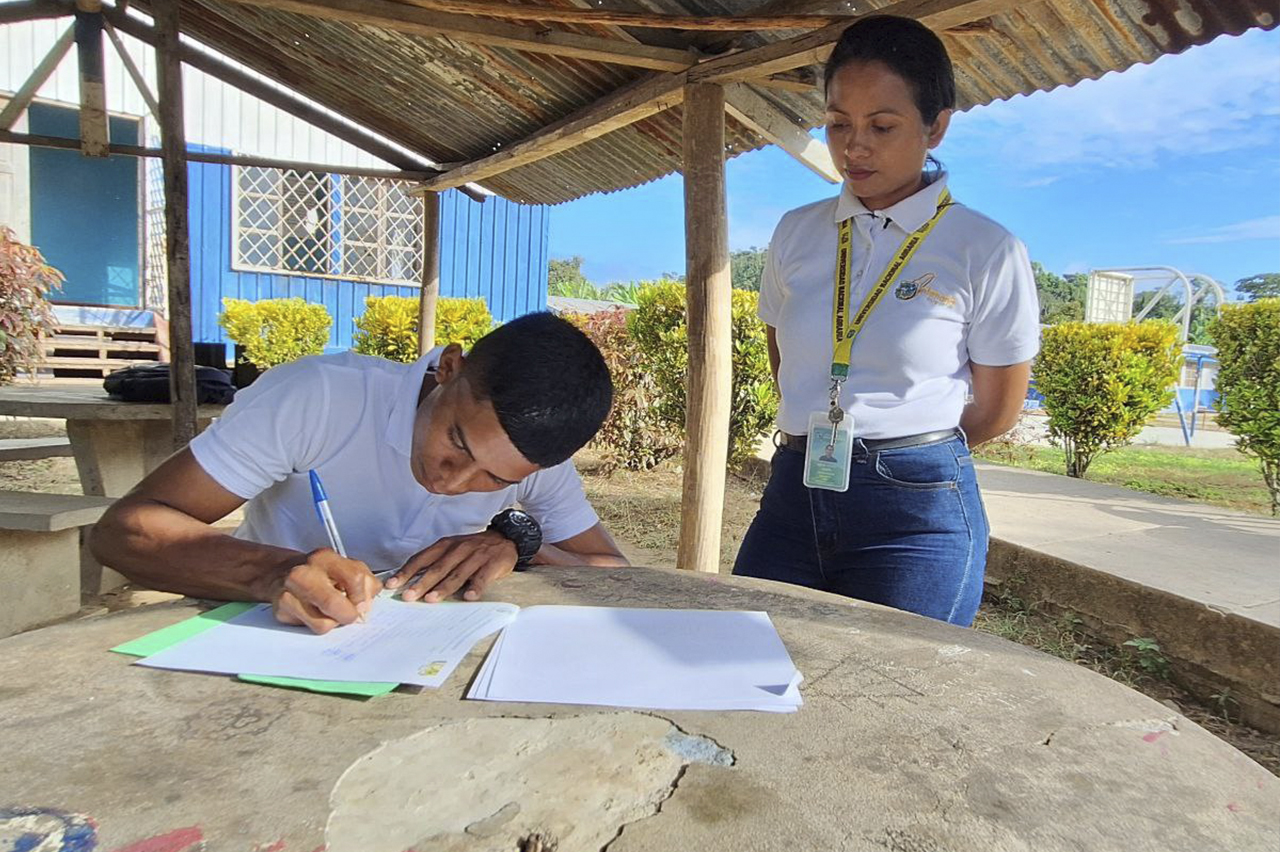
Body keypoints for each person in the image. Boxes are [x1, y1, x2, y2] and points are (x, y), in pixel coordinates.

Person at [732, 15, 1040, 626]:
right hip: (795, 489)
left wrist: (897, 448)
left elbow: (998, 410)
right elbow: (786, 359)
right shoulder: (798, 230)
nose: (855, 146)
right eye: (839, 122)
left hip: (915, 511)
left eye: (882, 125)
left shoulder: (985, 248)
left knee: (899, 695)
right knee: (748, 661)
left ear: (937, 126)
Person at [91, 312, 628, 634]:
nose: (453, 482)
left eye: (496, 481)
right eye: (456, 442)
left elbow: (613, 571)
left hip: (425, 656)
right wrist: (271, 572)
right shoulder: (321, 398)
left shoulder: (537, 459)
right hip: (270, 638)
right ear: (449, 368)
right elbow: (125, 531)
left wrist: (515, 546)